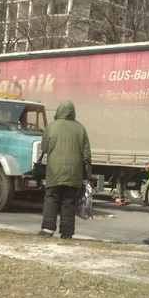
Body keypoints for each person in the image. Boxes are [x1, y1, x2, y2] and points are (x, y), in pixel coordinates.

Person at [37, 100, 91, 239]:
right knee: (68, 202)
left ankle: (48, 228)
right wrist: (87, 174)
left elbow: (44, 148)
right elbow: (86, 154)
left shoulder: (52, 127)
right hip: (74, 174)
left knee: (51, 198)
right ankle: (67, 233)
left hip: (54, 172)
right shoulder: (80, 129)